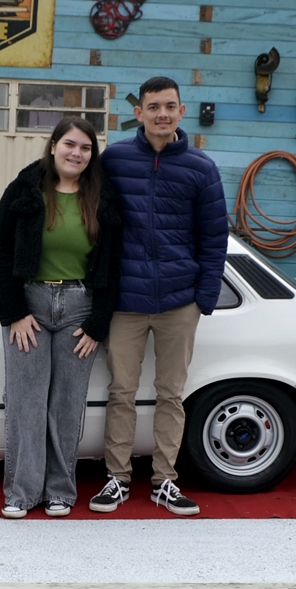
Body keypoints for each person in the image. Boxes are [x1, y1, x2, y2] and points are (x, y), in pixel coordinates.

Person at [90, 76, 229, 516]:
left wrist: (203, 299)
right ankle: (117, 478)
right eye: (153, 107)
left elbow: (214, 238)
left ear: (181, 112)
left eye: (170, 106)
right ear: (139, 112)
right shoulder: (114, 160)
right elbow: (91, 215)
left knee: (171, 394)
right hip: (125, 302)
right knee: (121, 392)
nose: (162, 114)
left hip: (179, 301)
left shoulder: (201, 168)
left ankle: (165, 480)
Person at [0, 117, 124, 519]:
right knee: (25, 403)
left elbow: (112, 264)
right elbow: (0, 253)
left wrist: (99, 323)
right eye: (69, 144)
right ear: (53, 146)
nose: (76, 153)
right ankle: (21, 492)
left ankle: (60, 491)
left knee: (67, 404)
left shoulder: (103, 196)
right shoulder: (23, 191)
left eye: (85, 148)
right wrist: (14, 312)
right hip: (29, 305)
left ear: (92, 155)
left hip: (79, 308)